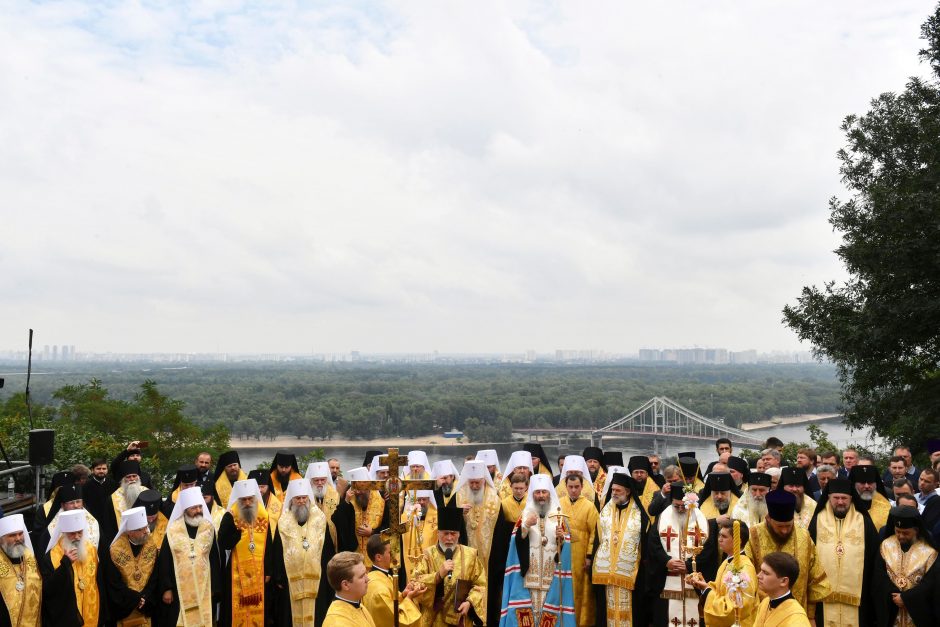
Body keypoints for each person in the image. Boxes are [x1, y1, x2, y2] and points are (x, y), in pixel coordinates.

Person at [744, 491, 830, 614]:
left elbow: (814, 579)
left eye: (788, 526)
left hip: (797, 614)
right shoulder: (753, 536)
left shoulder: (804, 537)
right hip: (761, 613)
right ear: (768, 519)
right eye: (779, 526)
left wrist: (810, 616)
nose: (784, 531)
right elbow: (746, 579)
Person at [807, 478, 878, 627]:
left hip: (859, 597)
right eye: (836, 498)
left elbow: (873, 559)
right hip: (823, 599)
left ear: (851, 498)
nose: (840, 502)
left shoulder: (864, 522)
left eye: (844, 498)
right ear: (829, 498)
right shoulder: (817, 521)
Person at [648, 482, 709, 627]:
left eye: (684, 506)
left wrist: (688, 566)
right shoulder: (662, 519)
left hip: (694, 582)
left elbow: (708, 550)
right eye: (677, 506)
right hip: (667, 580)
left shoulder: (701, 520)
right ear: (671, 502)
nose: (680, 509)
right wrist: (666, 561)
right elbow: (653, 544)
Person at [412, 507, 487, 626]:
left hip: (461, 618)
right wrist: (437, 576)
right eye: (445, 533)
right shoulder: (428, 555)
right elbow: (414, 583)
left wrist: (469, 602)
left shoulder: (471, 555)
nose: (449, 538)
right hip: (435, 619)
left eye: (453, 533)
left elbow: (480, 584)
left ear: (459, 534)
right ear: (438, 533)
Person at [593, 471, 650, 627]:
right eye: (613, 490)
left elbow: (645, 543)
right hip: (607, 573)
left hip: (631, 573)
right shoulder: (605, 512)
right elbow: (599, 539)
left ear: (628, 491)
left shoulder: (639, 515)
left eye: (618, 490)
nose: (614, 493)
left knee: (634, 611)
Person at [158, 486, 220, 627]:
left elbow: (214, 559)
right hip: (179, 589)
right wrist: (166, 588)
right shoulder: (173, 530)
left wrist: (215, 587)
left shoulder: (208, 529)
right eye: (193, 508)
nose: (198, 511)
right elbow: (165, 561)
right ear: (185, 509)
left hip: (204, 587)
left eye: (200, 506)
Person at [269, 477, 328, 625]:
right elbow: (277, 550)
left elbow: (326, 548)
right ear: (291, 500)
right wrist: (279, 577)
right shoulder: (284, 521)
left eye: (304, 498)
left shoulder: (319, 518)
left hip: (316, 579)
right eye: (297, 498)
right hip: (290, 580)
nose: (301, 501)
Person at [872, 505, 939, 627]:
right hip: (891, 609)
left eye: (906, 533)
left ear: (916, 530)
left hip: (917, 613)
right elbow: (879, 577)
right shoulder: (886, 546)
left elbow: (931, 583)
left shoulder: (929, 552)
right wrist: (893, 594)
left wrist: (907, 599)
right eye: (898, 531)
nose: (901, 536)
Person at [218, 478, 271, 626]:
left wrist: (268, 570)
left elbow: (270, 545)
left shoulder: (263, 515)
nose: (247, 503)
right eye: (243, 500)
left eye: (250, 499)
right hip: (235, 571)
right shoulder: (231, 515)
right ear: (238, 499)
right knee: (234, 608)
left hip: (260, 572)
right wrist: (236, 534)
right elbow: (223, 543)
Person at [687, 519, 759, 627]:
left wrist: (707, 591)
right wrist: (704, 586)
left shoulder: (743, 568)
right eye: (719, 535)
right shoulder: (727, 561)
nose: (719, 540)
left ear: (737, 541)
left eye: (724, 537)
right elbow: (720, 590)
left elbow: (736, 609)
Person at [307, 461, 354, 626]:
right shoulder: (304, 499)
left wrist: (346, 504)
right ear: (310, 482)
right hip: (311, 556)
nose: (320, 484)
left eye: (322, 480)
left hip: (330, 552)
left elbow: (342, 523)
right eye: (316, 480)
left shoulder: (334, 496)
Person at [39, 509, 104, 626]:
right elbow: (48, 590)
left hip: (91, 611)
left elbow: (98, 582)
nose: (77, 537)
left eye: (80, 532)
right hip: (66, 619)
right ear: (64, 533)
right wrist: (65, 564)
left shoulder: (91, 550)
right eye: (72, 533)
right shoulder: (51, 557)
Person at [102, 506, 159, 626]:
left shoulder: (151, 544)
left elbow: (156, 575)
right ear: (129, 532)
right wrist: (135, 599)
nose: (146, 532)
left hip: (147, 603)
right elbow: (114, 583)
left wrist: (145, 596)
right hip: (124, 607)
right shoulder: (115, 550)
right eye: (141, 529)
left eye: (146, 527)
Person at [560, 471, 598, 627]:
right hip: (561, 554)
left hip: (581, 555)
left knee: (580, 590)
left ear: (582, 487)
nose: (574, 490)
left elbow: (595, 532)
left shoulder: (589, 506)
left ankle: (581, 622)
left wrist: (589, 556)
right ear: (566, 487)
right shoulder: (559, 503)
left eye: (577, 487)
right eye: (571, 487)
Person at [361, 534, 422, 627]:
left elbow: (390, 603)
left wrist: (404, 595)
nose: (395, 555)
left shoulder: (383, 576)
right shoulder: (378, 589)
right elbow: (397, 620)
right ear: (378, 557)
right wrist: (409, 599)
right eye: (391, 552)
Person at [340, 467, 389, 568]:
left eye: (361, 489)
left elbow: (389, 526)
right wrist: (345, 502)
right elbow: (340, 524)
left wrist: (373, 532)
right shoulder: (349, 498)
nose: (358, 492)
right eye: (355, 489)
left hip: (376, 557)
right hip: (355, 557)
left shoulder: (382, 498)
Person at [454, 460, 501, 566]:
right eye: (471, 482)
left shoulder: (494, 498)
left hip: (489, 551)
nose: (474, 486)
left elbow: (500, 528)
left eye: (477, 482)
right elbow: (449, 522)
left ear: (484, 480)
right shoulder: (458, 496)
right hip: (464, 546)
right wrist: (458, 512)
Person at [0, 514, 42, 627]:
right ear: (2, 539)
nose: (18, 538)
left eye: (20, 533)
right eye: (12, 535)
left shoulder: (29, 555)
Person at [754, 552, 812, 627]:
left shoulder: (797, 619)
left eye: (765, 573)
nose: (758, 575)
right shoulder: (765, 603)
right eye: (761, 570)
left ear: (784, 581)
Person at [321, 551, 376, 626]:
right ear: (346, 585)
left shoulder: (359, 605)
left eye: (366, 573)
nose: (367, 579)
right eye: (362, 576)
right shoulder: (337, 623)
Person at [401, 490, 438, 578]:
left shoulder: (436, 516)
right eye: (419, 500)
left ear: (429, 500)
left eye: (424, 499)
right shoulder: (407, 516)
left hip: (429, 560)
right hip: (412, 559)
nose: (421, 502)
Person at [851, 465, 892, 529]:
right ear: (854, 484)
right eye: (862, 482)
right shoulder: (845, 504)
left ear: (876, 484)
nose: (867, 486)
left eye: (870, 482)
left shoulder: (886, 506)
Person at [248, 468, 283, 538]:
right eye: (257, 487)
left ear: (268, 487)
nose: (260, 490)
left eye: (263, 487)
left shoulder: (278, 505)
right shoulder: (245, 503)